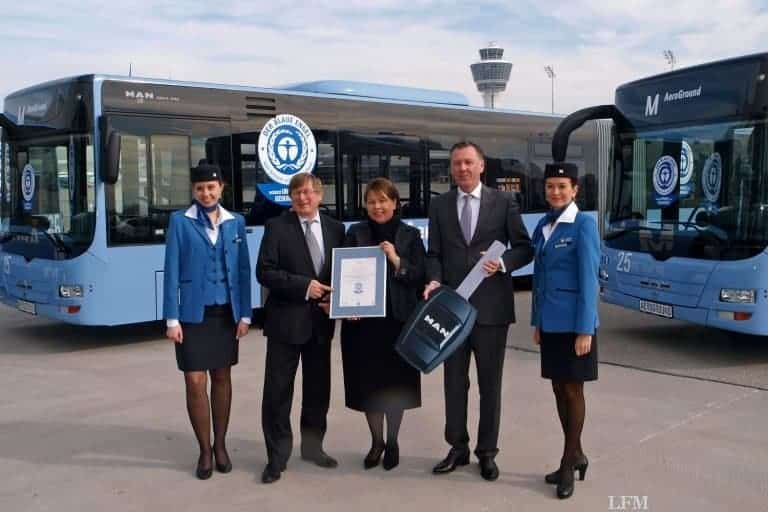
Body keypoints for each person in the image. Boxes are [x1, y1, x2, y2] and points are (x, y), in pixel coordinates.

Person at [424, 141, 533, 481]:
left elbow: (525, 248)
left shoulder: (503, 202)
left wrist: (502, 262)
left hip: (491, 312)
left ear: (482, 166)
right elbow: (434, 253)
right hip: (451, 311)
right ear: (451, 168)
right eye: (457, 163)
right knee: (453, 384)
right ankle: (457, 448)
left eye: (469, 162)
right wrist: (434, 279)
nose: (463, 169)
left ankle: (487, 452)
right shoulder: (439, 205)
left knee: (490, 385)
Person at [163, 161, 252, 480]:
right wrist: (172, 318)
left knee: (222, 378)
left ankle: (222, 445)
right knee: (194, 381)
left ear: (221, 188)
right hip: (192, 315)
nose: (206, 193)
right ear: (193, 190)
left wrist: (245, 313)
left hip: (225, 314)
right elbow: (171, 269)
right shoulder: (179, 221)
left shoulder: (235, 222)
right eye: (200, 188)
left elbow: (243, 270)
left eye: (211, 187)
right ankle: (204, 449)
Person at [256, 172, 345, 484]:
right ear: (291, 198)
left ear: (319, 195)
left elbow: (343, 274)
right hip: (284, 323)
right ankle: (276, 456)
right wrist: (305, 286)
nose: (302, 198)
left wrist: (341, 302)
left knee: (318, 390)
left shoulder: (336, 229)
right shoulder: (277, 227)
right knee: (278, 392)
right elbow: (265, 272)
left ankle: (313, 447)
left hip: (321, 324)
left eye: (308, 193)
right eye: (296, 193)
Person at [340, 178, 425, 471]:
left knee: (395, 384)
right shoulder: (356, 233)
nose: (377, 207)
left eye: (383, 201)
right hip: (363, 324)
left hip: (399, 321)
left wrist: (395, 259)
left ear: (394, 203)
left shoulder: (410, 235)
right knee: (369, 385)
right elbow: (343, 274)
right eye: (372, 201)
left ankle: (393, 440)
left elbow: (419, 275)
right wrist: (346, 306)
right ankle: (376, 441)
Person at [531, 162, 600, 499]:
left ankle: (568, 463)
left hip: (575, 325)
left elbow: (590, 279)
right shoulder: (545, 225)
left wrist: (585, 329)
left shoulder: (583, 224)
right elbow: (540, 279)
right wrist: (536, 322)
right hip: (551, 323)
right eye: (550, 186)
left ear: (575, 190)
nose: (555, 192)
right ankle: (577, 454)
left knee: (573, 391)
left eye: (561, 186)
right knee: (559, 388)